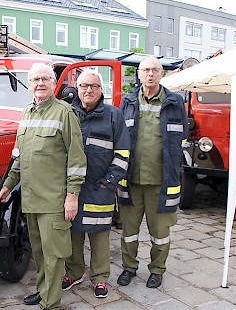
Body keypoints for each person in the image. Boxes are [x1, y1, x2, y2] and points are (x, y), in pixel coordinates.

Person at [0, 62, 86, 310]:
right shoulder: (26, 113)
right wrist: (7, 185)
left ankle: (51, 302)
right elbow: (18, 156)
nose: (40, 84)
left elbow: (77, 160)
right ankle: (44, 291)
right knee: (39, 253)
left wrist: (72, 196)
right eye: (35, 80)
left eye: (45, 79)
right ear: (29, 83)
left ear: (54, 82)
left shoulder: (65, 113)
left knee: (54, 255)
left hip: (55, 200)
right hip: (32, 199)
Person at [116, 56, 188, 289]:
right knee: (129, 231)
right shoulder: (127, 101)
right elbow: (119, 136)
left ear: (161, 74)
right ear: (138, 74)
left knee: (160, 232)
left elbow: (182, 136)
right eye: (146, 70)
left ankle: (157, 270)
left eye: (155, 70)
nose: (150, 74)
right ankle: (129, 268)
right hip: (131, 179)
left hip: (162, 180)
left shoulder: (175, 102)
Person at [62, 69, 130, 298]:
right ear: (77, 89)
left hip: (100, 187)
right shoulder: (69, 113)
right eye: (84, 86)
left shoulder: (113, 115)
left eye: (94, 86)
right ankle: (73, 272)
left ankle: (100, 278)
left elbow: (122, 154)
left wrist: (108, 183)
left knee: (100, 234)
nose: (88, 90)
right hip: (73, 187)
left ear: (101, 90)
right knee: (73, 232)